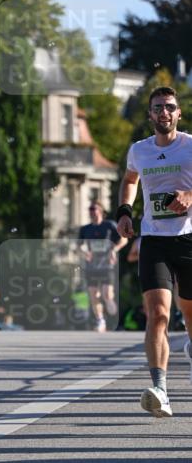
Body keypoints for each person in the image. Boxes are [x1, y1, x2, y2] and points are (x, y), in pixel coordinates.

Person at [116, 86, 192, 417]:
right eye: (158, 107)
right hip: (154, 240)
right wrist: (124, 211)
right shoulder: (139, 150)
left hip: (188, 238)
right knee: (158, 313)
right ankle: (160, 389)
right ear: (150, 114)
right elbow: (130, 179)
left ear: (178, 113)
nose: (164, 112)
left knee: (190, 314)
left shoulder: (190, 146)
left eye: (169, 107)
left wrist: (190, 195)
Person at [78, 201, 127, 332]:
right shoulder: (85, 229)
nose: (91, 211)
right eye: (89, 209)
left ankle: (111, 310)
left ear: (101, 211)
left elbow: (124, 240)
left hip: (107, 265)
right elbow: (79, 246)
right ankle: (100, 320)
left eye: (93, 208)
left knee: (107, 295)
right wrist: (84, 253)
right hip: (91, 266)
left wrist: (114, 250)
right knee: (93, 294)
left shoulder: (109, 225)